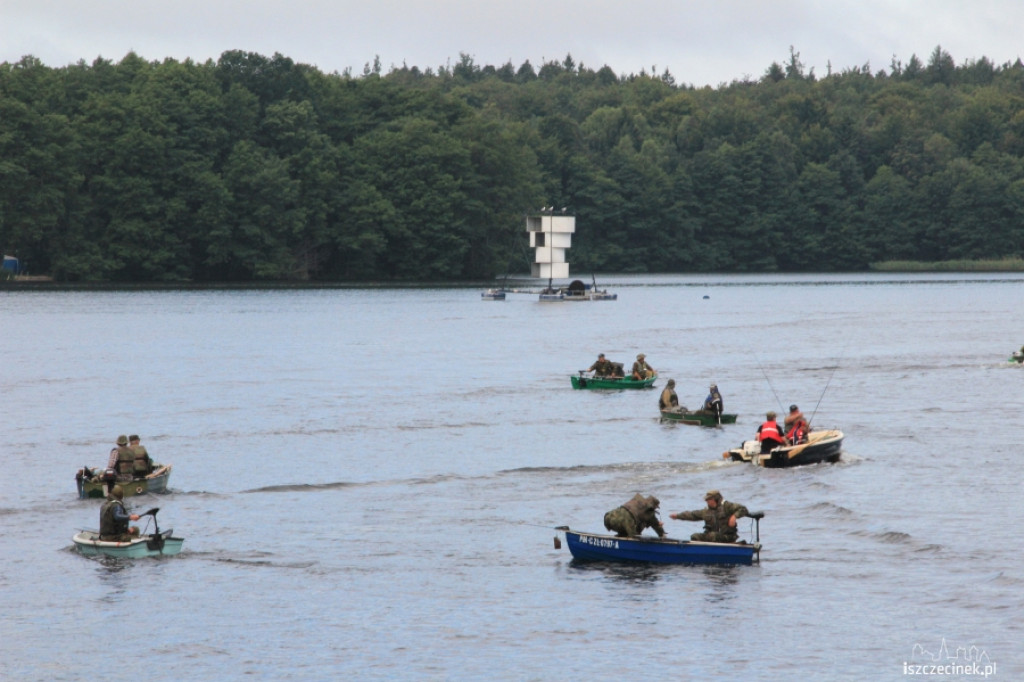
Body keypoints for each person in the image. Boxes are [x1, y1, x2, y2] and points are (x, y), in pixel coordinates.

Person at [669, 490, 749, 543]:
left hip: (727, 537)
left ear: (715, 499)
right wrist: (677, 516)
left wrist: (734, 517)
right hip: (712, 537)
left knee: (712, 535)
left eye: (709, 499)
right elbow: (692, 515)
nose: (707, 501)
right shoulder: (706, 511)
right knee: (695, 536)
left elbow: (743, 509)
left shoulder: (727, 506)